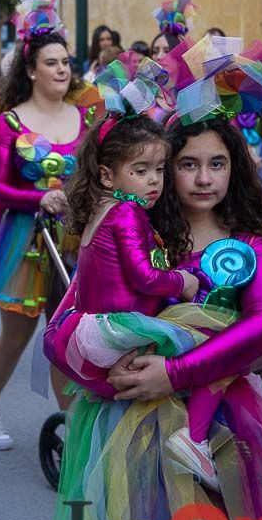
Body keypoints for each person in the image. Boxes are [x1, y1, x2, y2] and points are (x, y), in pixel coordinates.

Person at [45, 117, 262, 520]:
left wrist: (174, 372)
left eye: (218, 164)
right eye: (187, 165)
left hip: (220, 424)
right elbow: (80, 309)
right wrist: (103, 371)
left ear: (236, 168)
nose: (205, 179)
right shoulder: (138, 226)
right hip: (133, 421)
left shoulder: (250, 238)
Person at [0, 0, 87, 449]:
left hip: (73, 239)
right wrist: (39, 197)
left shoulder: (83, 118)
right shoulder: (7, 123)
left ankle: (71, 426)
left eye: (66, 62)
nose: (62, 70)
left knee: (66, 332)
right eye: (52, 63)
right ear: (31, 70)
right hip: (22, 240)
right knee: (16, 336)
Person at [56, 113, 220, 480]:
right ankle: (194, 441)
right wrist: (182, 282)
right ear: (107, 175)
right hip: (117, 329)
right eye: (140, 170)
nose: (154, 181)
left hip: (93, 329)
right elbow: (144, 278)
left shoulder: (102, 209)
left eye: (160, 170)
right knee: (215, 342)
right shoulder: (128, 212)